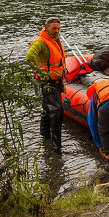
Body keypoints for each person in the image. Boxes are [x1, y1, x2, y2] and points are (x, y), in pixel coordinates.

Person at [25, 16, 66, 152]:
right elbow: (29, 57)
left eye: (58, 28)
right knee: (57, 111)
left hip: (55, 80)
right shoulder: (41, 42)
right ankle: (57, 147)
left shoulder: (55, 40)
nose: (57, 31)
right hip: (48, 81)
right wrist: (42, 74)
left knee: (47, 109)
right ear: (46, 27)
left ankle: (45, 136)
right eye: (54, 28)